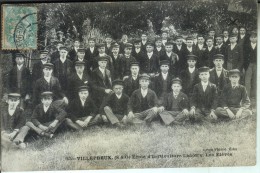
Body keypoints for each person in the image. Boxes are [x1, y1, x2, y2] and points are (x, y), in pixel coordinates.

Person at [244, 32, 257, 98]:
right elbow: (244, 56)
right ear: (249, 38)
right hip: (248, 65)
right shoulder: (246, 45)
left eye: (255, 37)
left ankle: (254, 96)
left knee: (255, 80)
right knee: (247, 81)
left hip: (256, 65)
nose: (253, 39)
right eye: (252, 37)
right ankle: (247, 97)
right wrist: (244, 66)